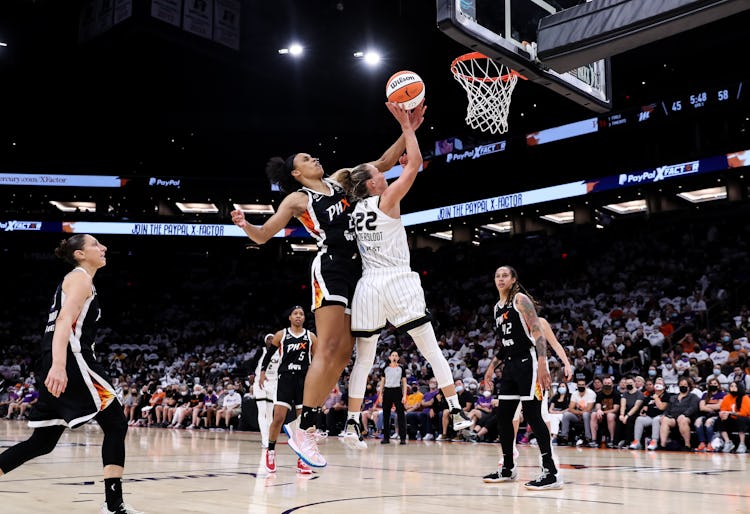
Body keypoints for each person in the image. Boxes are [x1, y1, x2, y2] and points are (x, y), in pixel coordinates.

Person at [230, 103, 425, 468]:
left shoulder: (339, 179)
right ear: (296, 171)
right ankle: (301, 425)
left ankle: (310, 419)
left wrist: (407, 128)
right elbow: (264, 236)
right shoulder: (298, 199)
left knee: (342, 353)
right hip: (331, 266)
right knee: (330, 345)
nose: (314, 157)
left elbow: (382, 164)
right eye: (307, 157)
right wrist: (245, 224)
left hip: (359, 269)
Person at [334, 101, 471, 450]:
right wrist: (409, 128)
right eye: (377, 172)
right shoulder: (386, 199)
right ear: (370, 183)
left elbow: (406, 165)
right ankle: (455, 411)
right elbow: (413, 170)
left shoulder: (356, 209)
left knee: (364, 358)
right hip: (397, 280)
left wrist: (411, 133)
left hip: (368, 285)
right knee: (431, 350)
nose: (384, 171)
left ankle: (352, 424)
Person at [0, 235, 143, 514]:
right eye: (95, 245)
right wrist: (59, 364)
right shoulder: (80, 278)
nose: (103, 248)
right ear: (80, 254)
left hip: (56, 359)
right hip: (73, 359)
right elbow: (65, 320)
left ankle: (113, 504)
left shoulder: (75, 280)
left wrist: (53, 363)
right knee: (116, 424)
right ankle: (114, 505)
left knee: (41, 443)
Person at [481, 265, 562, 490]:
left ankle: (551, 472)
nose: (500, 278)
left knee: (533, 415)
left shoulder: (520, 299)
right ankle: (508, 468)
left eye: (505, 275)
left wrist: (543, 363)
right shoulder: (497, 308)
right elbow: (505, 343)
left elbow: (537, 332)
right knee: (504, 416)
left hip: (530, 363)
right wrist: (491, 367)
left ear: (514, 278)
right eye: (497, 275)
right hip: (510, 365)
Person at [259, 306, 317, 474]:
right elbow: (269, 355)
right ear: (290, 317)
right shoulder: (281, 335)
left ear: (304, 318)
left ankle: (303, 458)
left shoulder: (311, 336)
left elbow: (318, 359)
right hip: (285, 379)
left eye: (301, 314)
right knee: (278, 418)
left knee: (303, 422)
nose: (299, 316)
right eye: (295, 314)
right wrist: (262, 372)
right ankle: (270, 452)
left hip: (304, 380)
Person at [249, 333, 281, 448]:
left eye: (272, 338)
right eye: (268, 339)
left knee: (270, 414)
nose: (270, 340)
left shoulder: (279, 352)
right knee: (261, 412)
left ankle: (270, 438)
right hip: (260, 382)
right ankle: (264, 439)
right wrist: (251, 374)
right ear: (265, 341)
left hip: (273, 384)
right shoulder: (261, 351)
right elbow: (252, 365)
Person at [377, 351, 407, 445]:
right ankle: (386, 437)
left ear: (398, 358)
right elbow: (382, 382)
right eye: (393, 355)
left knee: (401, 415)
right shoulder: (385, 368)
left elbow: (404, 383)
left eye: (396, 355)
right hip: (387, 391)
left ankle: (402, 438)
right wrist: (380, 395)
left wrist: (404, 395)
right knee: (386, 415)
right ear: (390, 357)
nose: (394, 357)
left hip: (397, 391)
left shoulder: (401, 368)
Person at [716, 381, 750, 453]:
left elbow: (744, 413)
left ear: (740, 387)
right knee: (720, 418)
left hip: (746, 420)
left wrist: (730, 413)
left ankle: (742, 444)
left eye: (735, 386)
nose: (733, 388)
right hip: (733, 419)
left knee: (741, 419)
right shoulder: (726, 397)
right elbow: (723, 409)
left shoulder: (745, 398)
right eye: (731, 386)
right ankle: (728, 442)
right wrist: (723, 414)